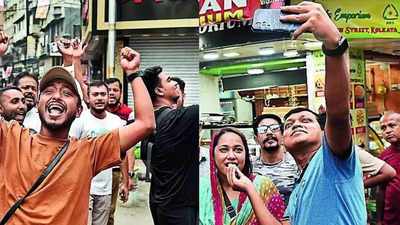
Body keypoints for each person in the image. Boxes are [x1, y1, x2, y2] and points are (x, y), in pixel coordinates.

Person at [0, 29, 155, 225]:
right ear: (38, 103)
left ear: (79, 110)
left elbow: (146, 123)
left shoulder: (88, 152)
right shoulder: (11, 137)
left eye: (66, 93)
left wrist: (133, 74)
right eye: (48, 91)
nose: (56, 96)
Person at [279, 2, 366, 224]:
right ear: (282, 141)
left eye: (306, 120)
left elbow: (337, 114)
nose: (296, 124)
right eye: (288, 124)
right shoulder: (298, 187)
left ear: (322, 132)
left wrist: (333, 45)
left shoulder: (331, 159)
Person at [141, 66, 198, 225]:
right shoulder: (175, 120)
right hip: (179, 206)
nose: (174, 84)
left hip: (159, 200)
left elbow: (146, 159)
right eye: (169, 80)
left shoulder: (149, 123)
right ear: (159, 91)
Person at [69, 81, 128, 225]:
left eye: (103, 94)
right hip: (83, 188)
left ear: (108, 97)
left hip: (106, 188)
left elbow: (123, 154)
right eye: (95, 94)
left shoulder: (117, 122)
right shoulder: (79, 122)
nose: (100, 98)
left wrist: (126, 181)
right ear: (88, 98)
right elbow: (69, 153)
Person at [199, 127, 284, 225]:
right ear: (212, 154)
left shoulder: (263, 186)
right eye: (224, 150)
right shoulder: (200, 188)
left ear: (246, 154)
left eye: (238, 150)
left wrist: (250, 189)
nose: (231, 156)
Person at [252, 114, 298, 207]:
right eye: (262, 130)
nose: (269, 133)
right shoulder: (250, 167)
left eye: (275, 128)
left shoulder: (297, 163)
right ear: (256, 139)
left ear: (282, 135)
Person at [377, 111, 400, 225]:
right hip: (391, 217)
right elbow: (381, 189)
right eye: (383, 128)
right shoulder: (383, 156)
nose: (387, 131)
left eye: (392, 125)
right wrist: (379, 220)